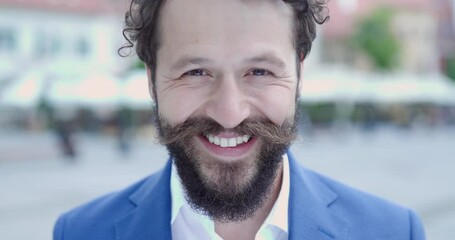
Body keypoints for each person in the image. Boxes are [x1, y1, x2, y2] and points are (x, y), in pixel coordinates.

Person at [53, 0, 426, 239]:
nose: (229, 112)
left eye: (260, 72)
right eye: (196, 72)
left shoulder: (393, 232)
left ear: (298, 74)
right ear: (151, 80)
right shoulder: (81, 233)